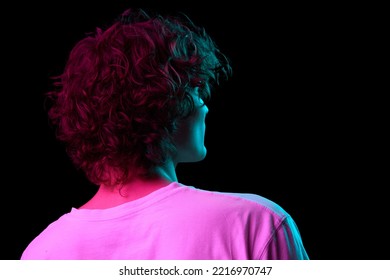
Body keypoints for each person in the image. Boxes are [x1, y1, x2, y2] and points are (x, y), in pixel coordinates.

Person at [21, 8, 309, 260]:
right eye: (195, 89)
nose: (205, 107)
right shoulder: (254, 224)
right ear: (163, 104)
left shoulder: (39, 254)